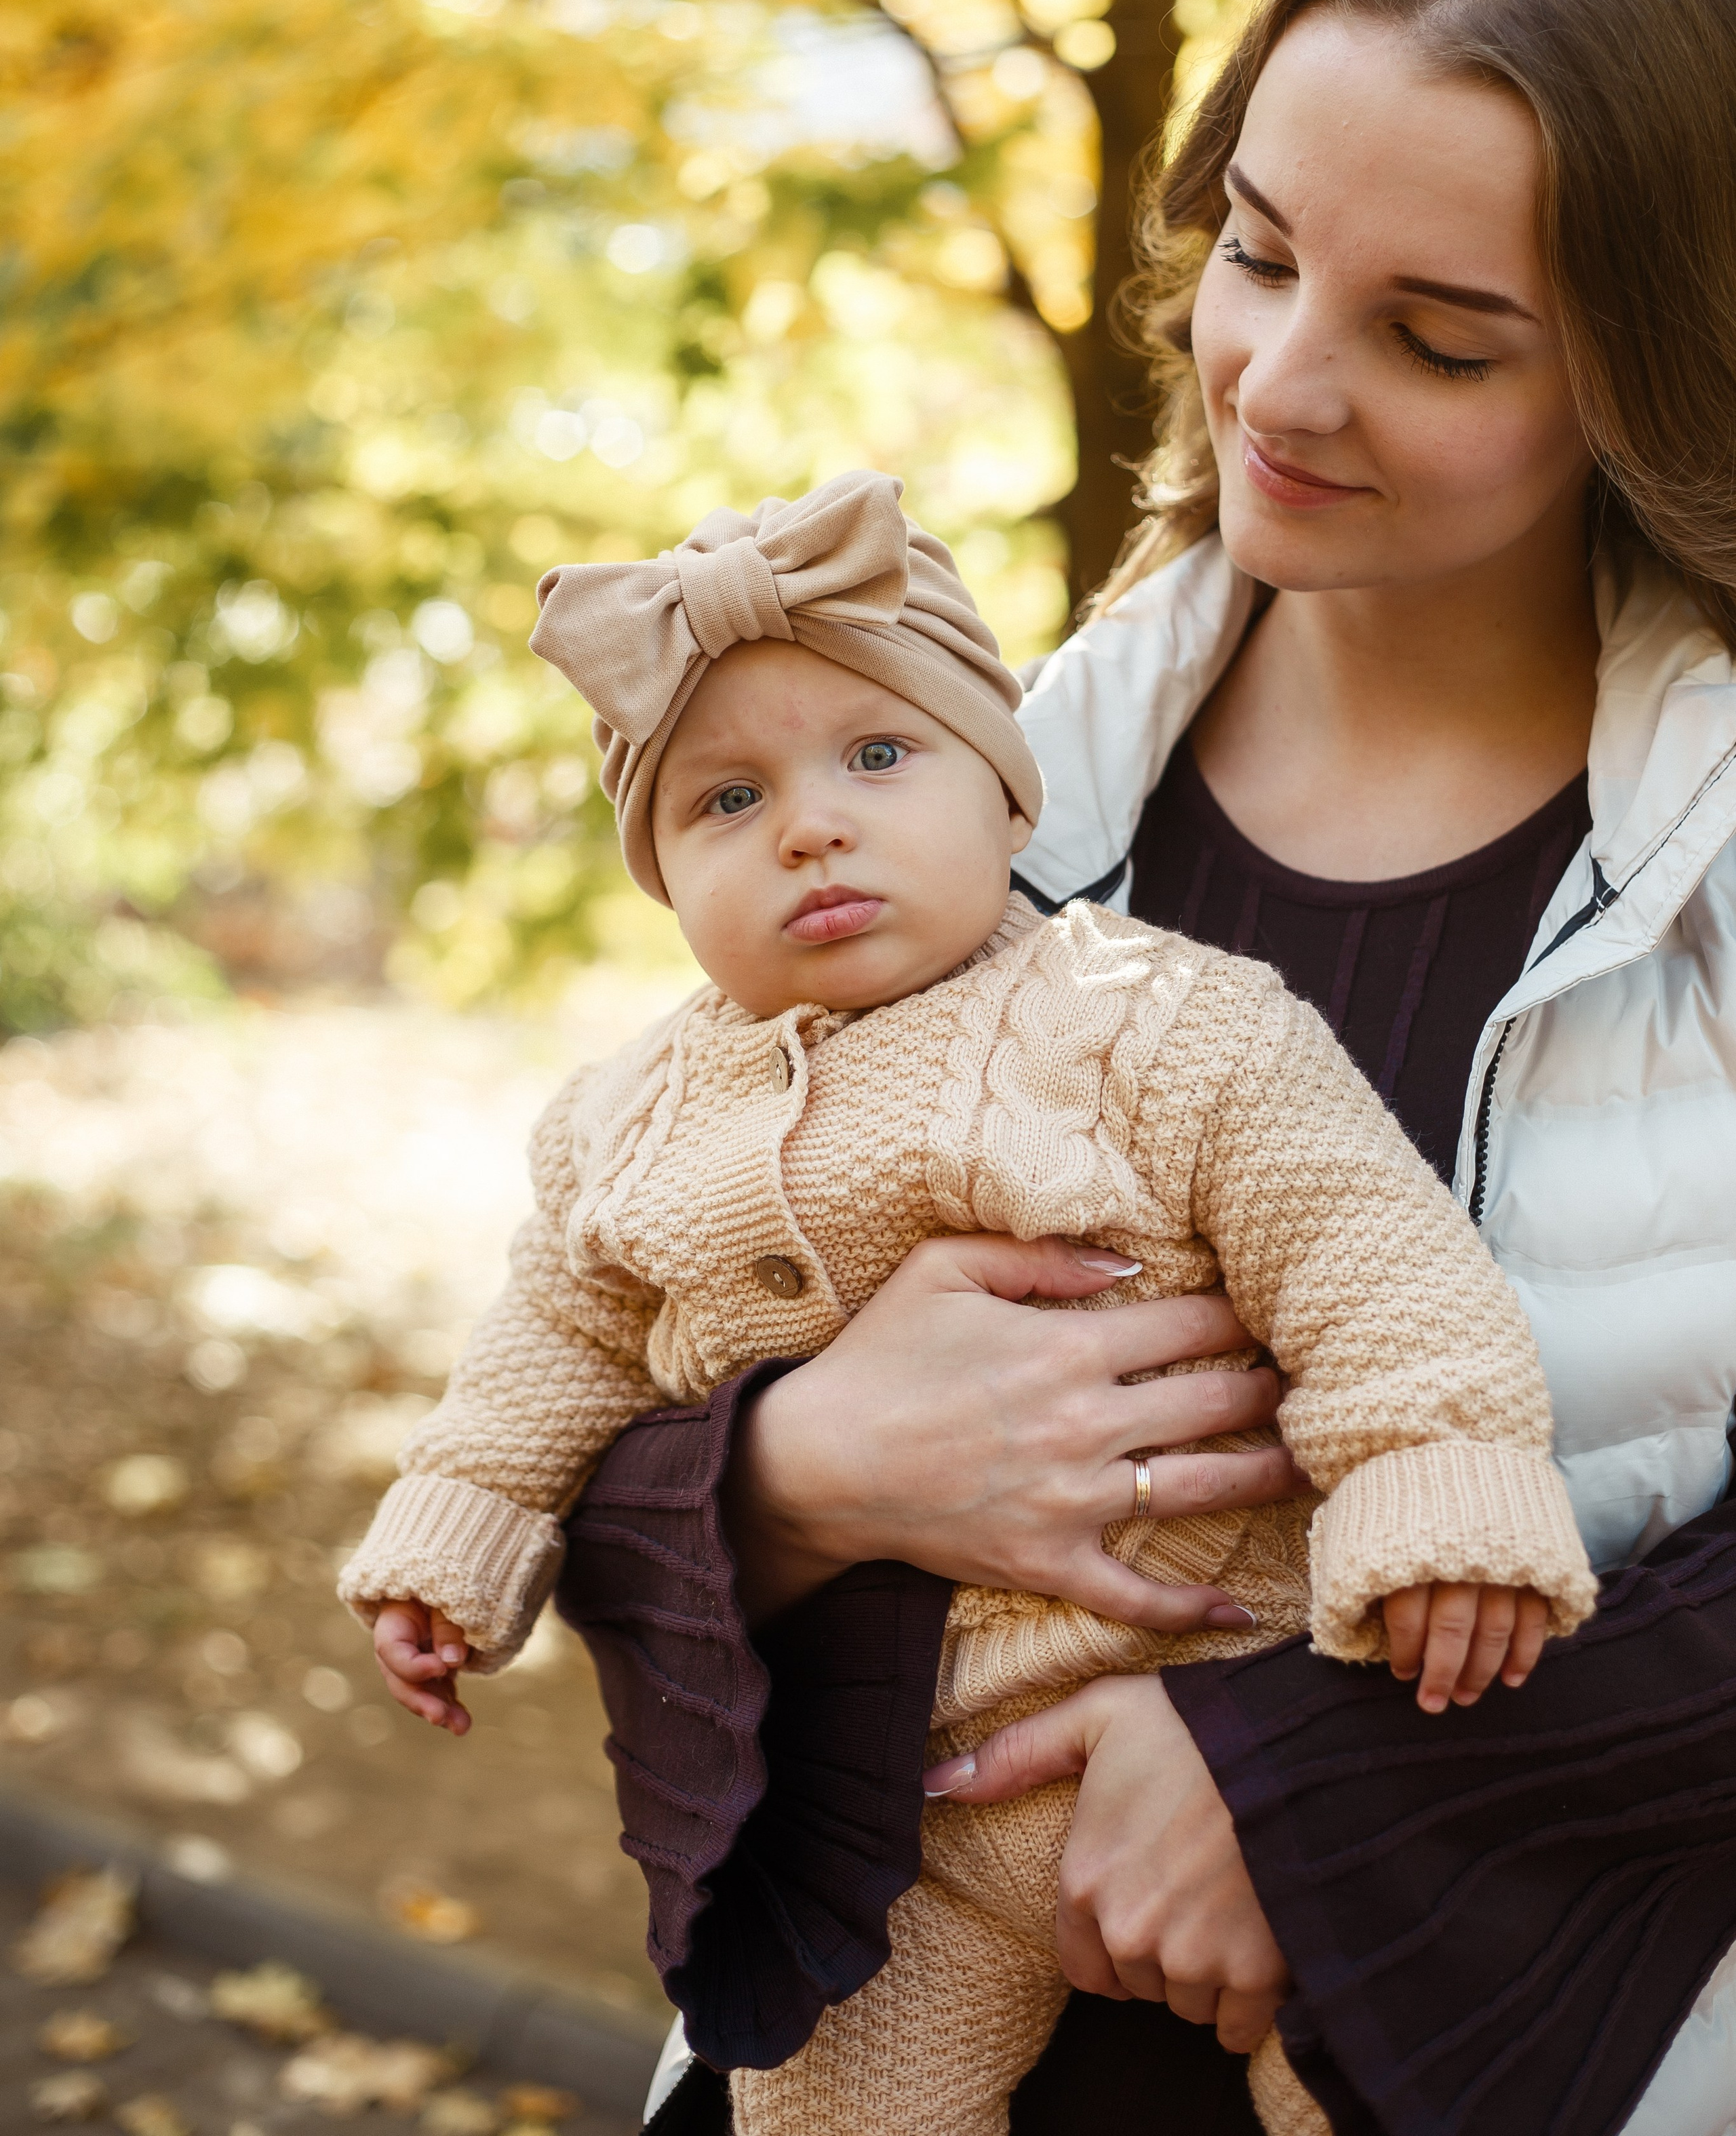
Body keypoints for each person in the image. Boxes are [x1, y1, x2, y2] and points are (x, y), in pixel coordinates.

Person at [558, 0, 1736, 2136]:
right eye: (1263, 256)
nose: (1281, 381)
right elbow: (602, 1343)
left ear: (1658, 370)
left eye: (1442, 336)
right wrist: (790, 1479)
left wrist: (1299, 1787)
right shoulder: (965, 786)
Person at [336, 467, 1593, 2136]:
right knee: (822, 2091)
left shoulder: (1161, 1021)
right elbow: (544, 1355)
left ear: (1009, 801)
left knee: (1388, 2071)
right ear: (658, 881)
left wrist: (1435, 1493)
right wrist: (458, 1531)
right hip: (895, 1819)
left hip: (1226, 1709)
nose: (809, 826)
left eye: (876, 757)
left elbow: (1366, 1259)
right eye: (723, 803)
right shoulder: (626, 1121)